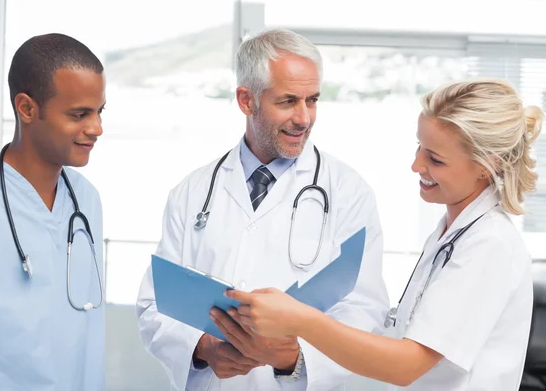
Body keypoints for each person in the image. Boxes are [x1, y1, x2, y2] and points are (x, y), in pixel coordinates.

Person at [221, 78, 542, 390]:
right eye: (420, 147)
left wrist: (302, 320)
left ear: (487, 165)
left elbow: (406, 366)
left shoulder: (489, 245)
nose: (416, 165)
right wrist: (293, 351)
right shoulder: (452, 232)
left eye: (436, 159)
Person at [136, 28, 389, 391]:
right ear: (246, 100)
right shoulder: (192, 192)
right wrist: (203, 348)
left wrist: (291, 358)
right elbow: (154, 303)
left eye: (312, 100)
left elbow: (366, 309)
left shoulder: (348, 192)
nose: (304, 118)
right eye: (287, 102)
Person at [0, 33, 106, 391]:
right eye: (79, 114)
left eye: (99, 111)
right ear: (27, 108)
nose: (96, 128)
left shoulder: (86, 200)